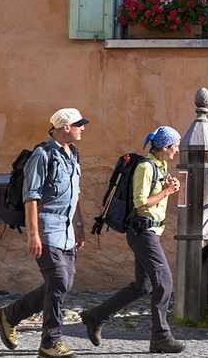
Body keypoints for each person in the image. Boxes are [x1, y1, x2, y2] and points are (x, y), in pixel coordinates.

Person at [0, 108, 88, 357]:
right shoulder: (42, 155)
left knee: (60, 285)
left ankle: (8, 315)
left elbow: (75, 196)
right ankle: (50, 342)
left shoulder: (73, 154)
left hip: (66, 231)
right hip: (47, 229)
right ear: (65, 127)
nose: (83, 128)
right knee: (59, 282)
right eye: (79, 124)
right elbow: (31, 197)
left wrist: (80, 225)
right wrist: (33, 235)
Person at [80, 126, 184, 353]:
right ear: (165, 147)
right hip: (142, 233)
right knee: (164, 283)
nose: (177, 150)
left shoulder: (160, 165)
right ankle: (160, 337)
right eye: (175, 146)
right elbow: (140, 203)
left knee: (143, 286)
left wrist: (168, 187)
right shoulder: (146, 167)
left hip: (150, 233)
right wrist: (167, 192)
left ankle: (95, 316)